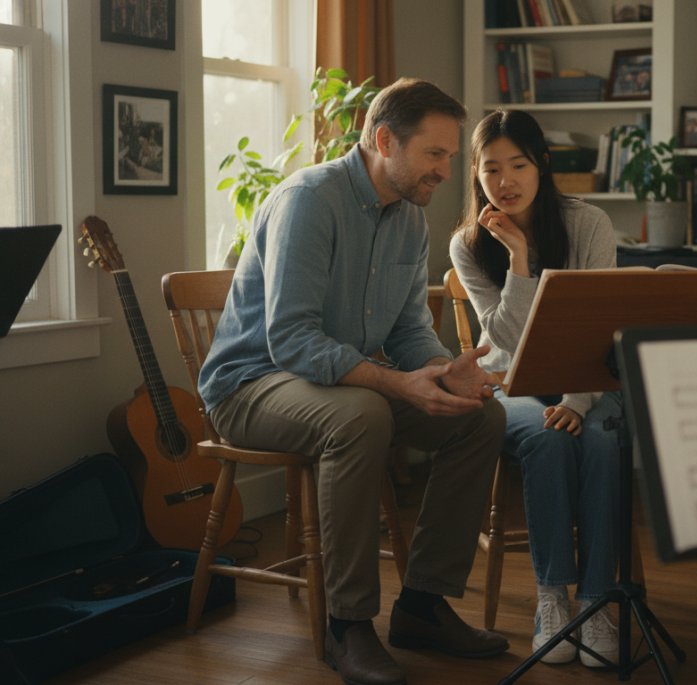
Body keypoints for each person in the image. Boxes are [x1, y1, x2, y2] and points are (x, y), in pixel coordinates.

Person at [197, 77, 508, 685]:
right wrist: (397, 386)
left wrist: (446, 372)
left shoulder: (410, 220)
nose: (447, 172)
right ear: (384, 139)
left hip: (333, 386)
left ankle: (421, 605)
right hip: (250, 383)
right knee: (362, 415)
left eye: (450, 156)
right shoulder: (310, 200)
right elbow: (290, 340)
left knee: (480, 417)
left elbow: (408, 333)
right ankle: (348, 625)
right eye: (436, 154)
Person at [448, 109, 622, 668]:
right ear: (475, 175)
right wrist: (518, 259)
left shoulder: (589, 224)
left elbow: (598, 329)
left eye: (518, 165)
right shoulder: (469, 244)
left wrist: (575, 401)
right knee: (547, 441)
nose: (505, 182)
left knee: (599, 440)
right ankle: (553, 598)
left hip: (585, 380)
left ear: (542, 164)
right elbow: (506, 338)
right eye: (490, 169)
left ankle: (596, 602)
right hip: (511, 383)